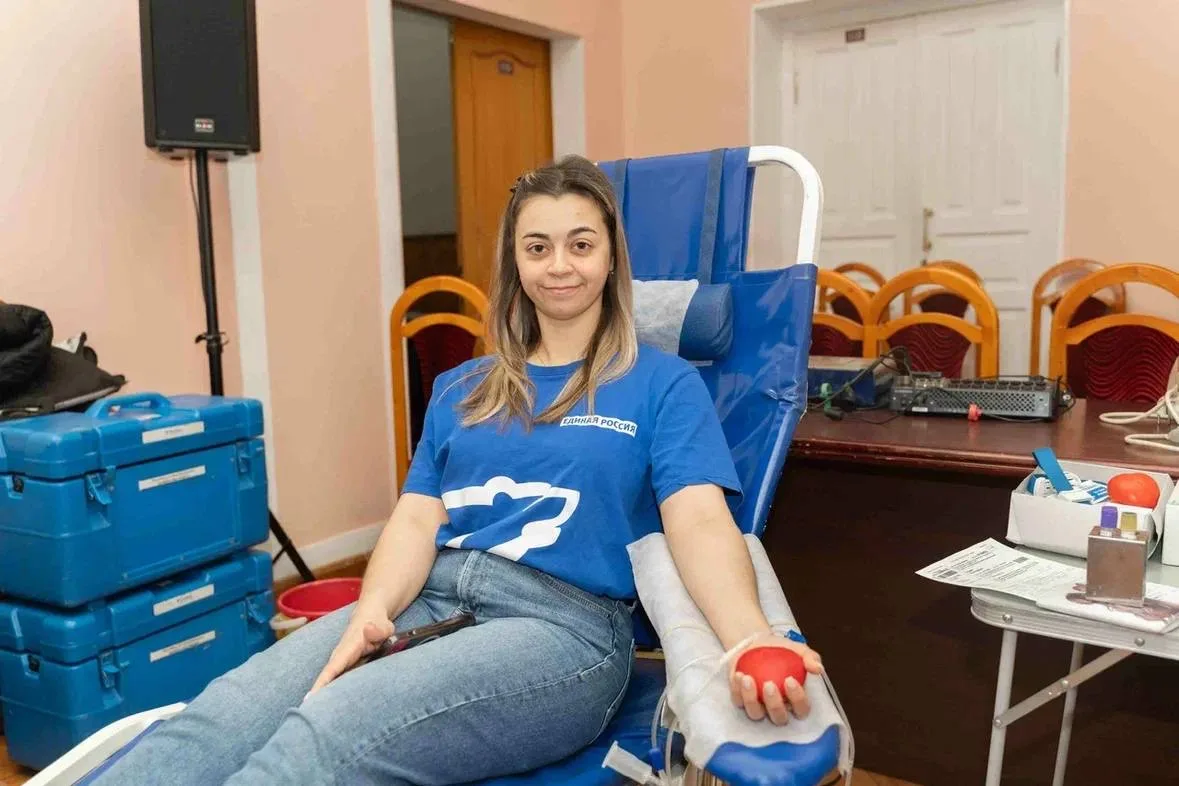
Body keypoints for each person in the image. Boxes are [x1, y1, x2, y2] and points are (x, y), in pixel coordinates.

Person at [92, 155, 823, 786]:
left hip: (562, 627)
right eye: (537, 247)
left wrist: (749, 637)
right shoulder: (463, 387)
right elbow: (417, 518)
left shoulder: (663, 384)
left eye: (580, 244)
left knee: (323, 735)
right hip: (429, 597)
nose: (559, 265)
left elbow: (699, 520)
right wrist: (372, 609)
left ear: (610, 259)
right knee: (224, 711)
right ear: (515, 263)